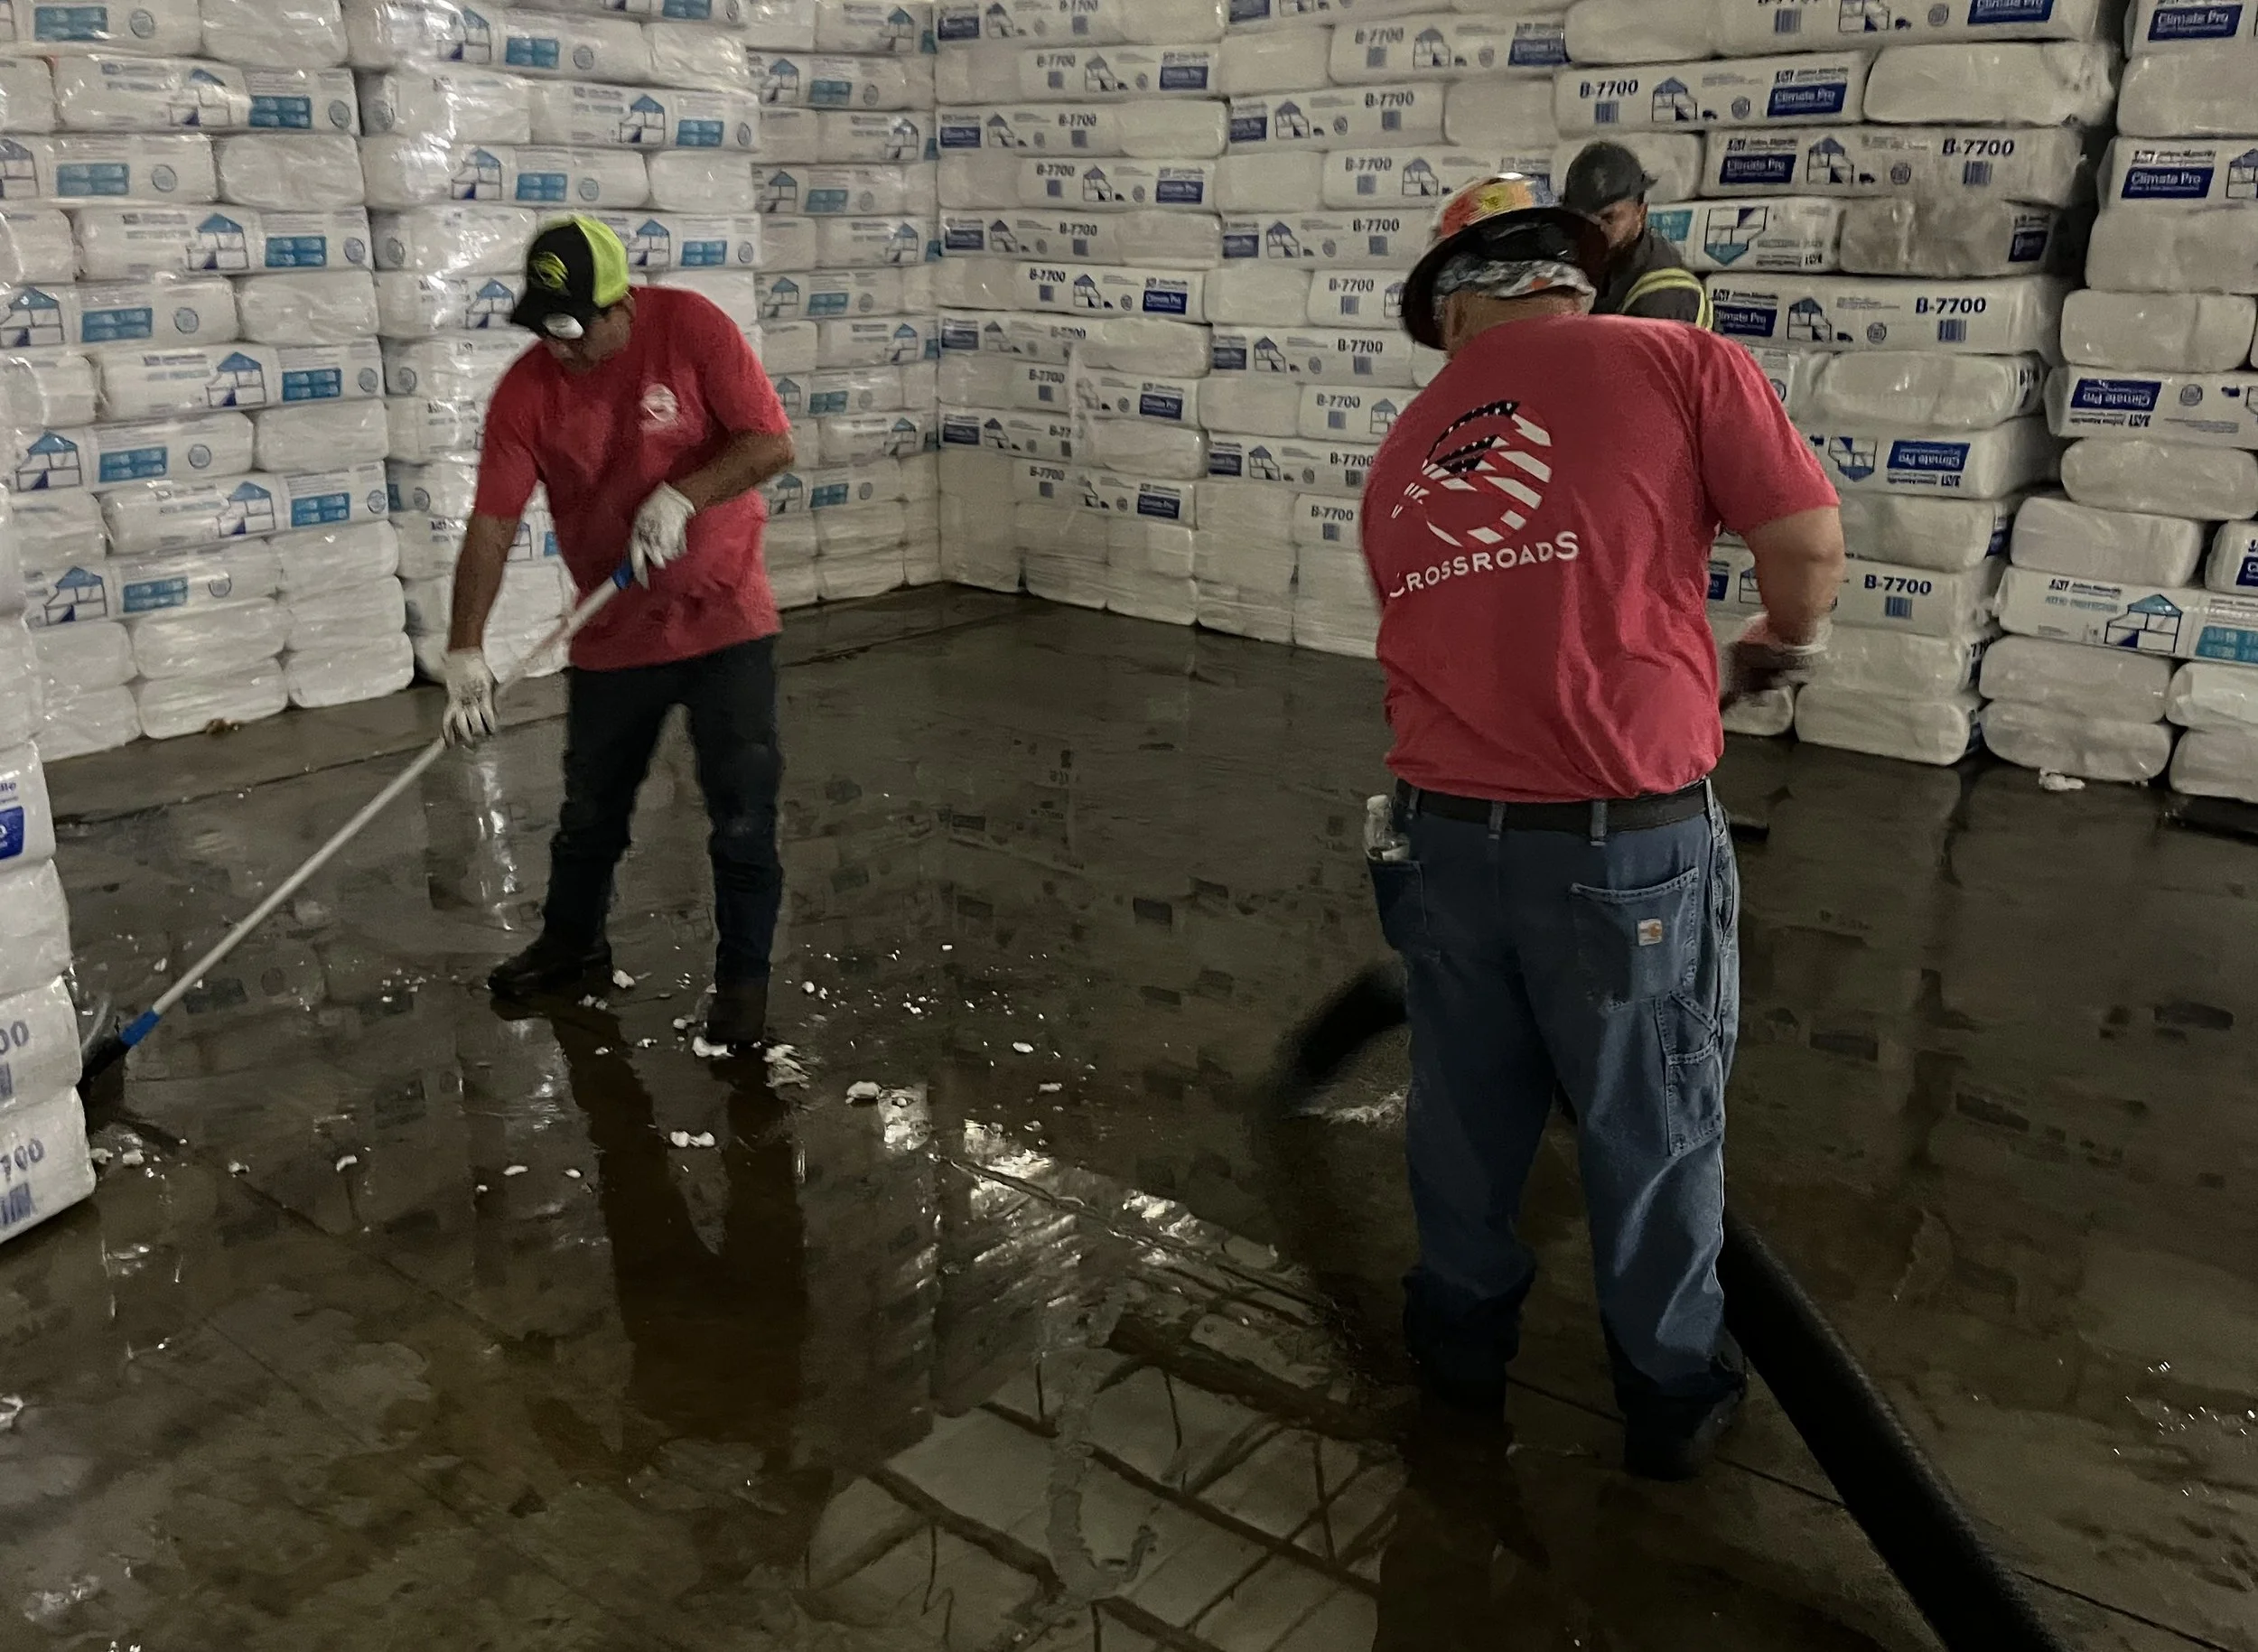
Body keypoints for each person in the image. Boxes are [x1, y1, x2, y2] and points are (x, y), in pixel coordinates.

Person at [1361, 174, 1843, 1479]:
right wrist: (1780, 642)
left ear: (1454, 311)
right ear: (1571, 277)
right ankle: (1669, 1395)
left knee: (1464, 1109)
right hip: (1618, 842)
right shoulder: (1676, 359)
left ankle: (1459, 1350)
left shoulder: (1404, 448)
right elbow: (1805, 545)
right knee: (1650, 1121)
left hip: (1437, 835)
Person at [441, 216, 798, 1049]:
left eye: (574, 328)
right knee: (590, 811)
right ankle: (573, 944)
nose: (559, 348)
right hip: (614, 630)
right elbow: (493, 523)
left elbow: (770, 444)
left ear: (620, 305)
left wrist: (683, 495)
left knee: (742, 816)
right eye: (544, 329)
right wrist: (464, 648)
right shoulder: (527, 391)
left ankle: (743, 982)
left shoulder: (691, 329)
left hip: (724, 616)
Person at [1561, 140, 1713, 329]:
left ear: (1641, 213)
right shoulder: (1597, 262)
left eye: (1609, 218)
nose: (1595, 230)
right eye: (1584, 219)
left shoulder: (1664, 294)